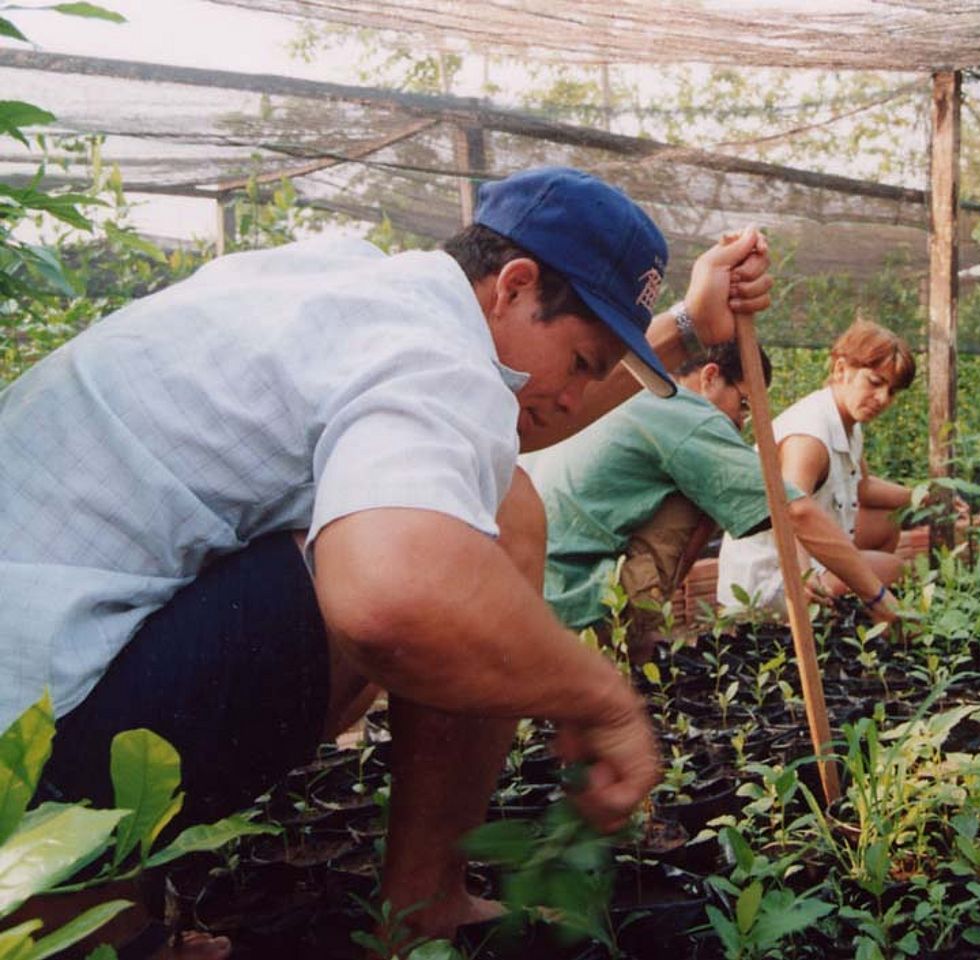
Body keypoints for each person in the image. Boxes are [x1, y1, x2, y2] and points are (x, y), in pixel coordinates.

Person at [1, 165, 772, 950]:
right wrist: (598, 699)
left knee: (484, 493)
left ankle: (116, 922)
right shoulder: (436, 351)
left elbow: (515, 423)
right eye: (581, 362)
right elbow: (395, 595)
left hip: (40, 688)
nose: (577, 399)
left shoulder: (352, 282)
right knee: (489, 526)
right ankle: (100, 923)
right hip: (28, 765)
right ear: (513, 285)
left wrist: (684, 324)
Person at [527, 331, 906, 663]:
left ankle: (632, 641)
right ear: (710, 377)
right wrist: (878, 601)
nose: (741, 423)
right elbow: (795, 510)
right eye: (743, 404)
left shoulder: (629, 391)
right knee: (702, 496)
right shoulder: (686, 414)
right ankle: (627, 643)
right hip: (579, 605)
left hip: (530, 589)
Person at [717, 318, 916, 619]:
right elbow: (790, 510)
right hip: (768, 579)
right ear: (840, 369)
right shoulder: (809, 437)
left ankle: (848, 619)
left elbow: (862, 487)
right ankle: (836, 620)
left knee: (887, 520)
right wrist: (802, 575)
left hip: (803, 557)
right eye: (875, 383)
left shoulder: (847, 421)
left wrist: (927, 496)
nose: (883, 399)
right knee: (894, 569)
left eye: (892, 392)